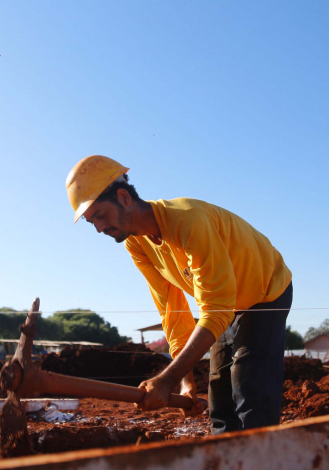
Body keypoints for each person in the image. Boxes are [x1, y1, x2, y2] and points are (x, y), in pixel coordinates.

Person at [66, 155, 293, 434]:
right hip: (225, 303)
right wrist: (185, 383)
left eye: (99, 215)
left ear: (124, 197)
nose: (99, 228)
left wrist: (166, 379)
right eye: (92, 222)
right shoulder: (136, 244)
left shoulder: (187, 220)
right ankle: (226, 458)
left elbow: (216, 309)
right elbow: (171, 310)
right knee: (219, 395)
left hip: (265, 291)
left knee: (248, 385)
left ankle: (262, 456)